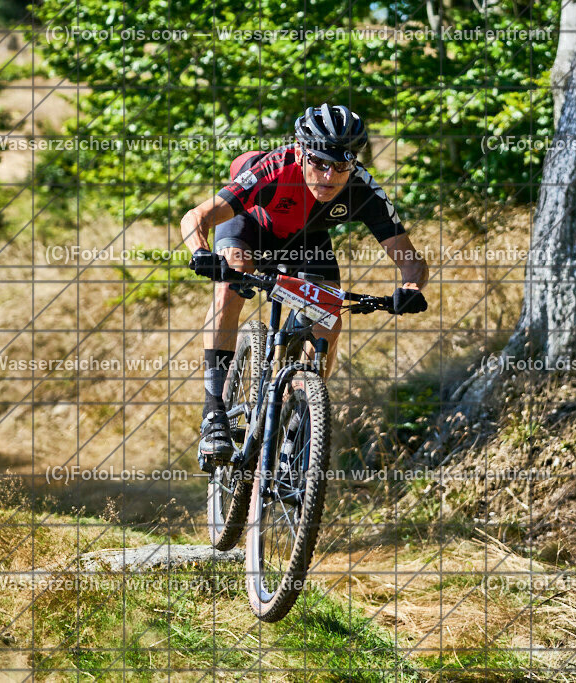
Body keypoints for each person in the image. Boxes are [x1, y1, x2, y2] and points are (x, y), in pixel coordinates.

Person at [180, 103, 429, 473]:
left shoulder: (361, 187)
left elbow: (412, 261)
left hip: (305, 243)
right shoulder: (273, 169)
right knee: (230, 280)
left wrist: (410, 287)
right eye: (319, 163)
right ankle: (214, 409)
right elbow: (195, 217)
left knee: (329, 317)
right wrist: (201, 252)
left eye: (341, 165)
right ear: (299, 150)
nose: (329, 176)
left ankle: (302, 420)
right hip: (249, 230)